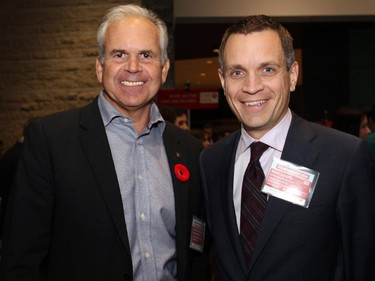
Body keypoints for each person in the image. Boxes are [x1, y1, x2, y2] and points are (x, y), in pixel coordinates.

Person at [0, 4, 210, 281]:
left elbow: (195, 253)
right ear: (100, 68)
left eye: (146, 55)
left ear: (164, 68)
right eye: (119, 54)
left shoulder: (189, 149)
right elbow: (21, 259)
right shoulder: (51, 140)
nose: (133, 67)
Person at [200, 15, 375, 281]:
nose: (251, 86)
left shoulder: (344, 157)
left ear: (292, 75)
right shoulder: (211, 161)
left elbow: (362, 265)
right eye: (238, 72)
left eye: (267, 69)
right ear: (223, 81)